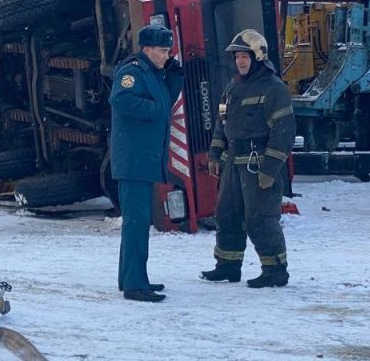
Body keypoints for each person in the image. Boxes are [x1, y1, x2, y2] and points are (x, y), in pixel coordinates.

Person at [201, 29, 295, 288]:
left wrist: (271, 168)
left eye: (245, 56)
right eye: (237, 56)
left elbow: (284, 131)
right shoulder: (232, 87)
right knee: (226, 214)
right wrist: (214, 153)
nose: (240, 61)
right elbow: (221, 122)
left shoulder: (274, 88)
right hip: (233, 163)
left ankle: (275, 270)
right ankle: (228, 266)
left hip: (258, 164)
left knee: (260, 217)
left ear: (258, 57)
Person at [109, 24, 184, 303]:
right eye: (163, 51)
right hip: (133, 160)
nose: (167, 55)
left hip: (143, 159)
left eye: (168, 51)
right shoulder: (133, 72)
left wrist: (174, 77)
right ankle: (134, 285)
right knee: (137, 221)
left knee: (138, 221)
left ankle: (132, 277)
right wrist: (154, 111)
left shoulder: (152, 73)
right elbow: (120, 98)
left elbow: (164, 99)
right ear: (147, 48)